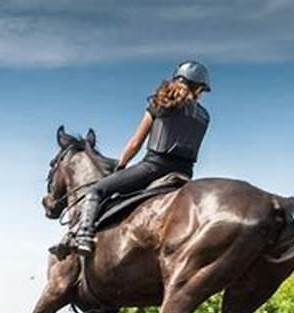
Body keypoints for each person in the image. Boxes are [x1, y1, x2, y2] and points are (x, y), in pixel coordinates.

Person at [60, 61, 211, 257]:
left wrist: (121, 166)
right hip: (185, 174)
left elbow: (134, 144)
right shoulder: (204, 116)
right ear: (199, 88)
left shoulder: (161, 102)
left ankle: (83, 236)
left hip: (154, 168)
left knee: (97, 189)